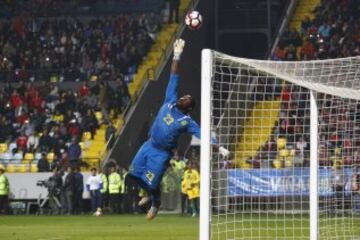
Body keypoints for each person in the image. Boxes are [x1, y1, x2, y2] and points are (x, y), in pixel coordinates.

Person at [127, 39, 229, 220]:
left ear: (188, 108)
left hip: (162, 153)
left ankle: (155, 205)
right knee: (134, 171)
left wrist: (219, 147)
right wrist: (176, 54)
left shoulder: (186, 121)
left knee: (153, 181)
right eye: (184, 96)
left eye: (186, 99)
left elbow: (204, 136)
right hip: (149, 144)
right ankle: (146, 194)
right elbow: (174, 75)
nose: (183, 97)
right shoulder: (170, 100)